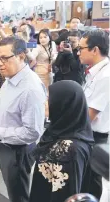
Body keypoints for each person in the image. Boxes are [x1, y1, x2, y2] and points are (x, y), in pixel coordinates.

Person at [0, 36, 47, 202]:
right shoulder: (10, 79)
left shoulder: (30, 89)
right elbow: (6, 107)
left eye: (5, 58)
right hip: (5, 144)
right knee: (11, 189)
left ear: (21, 56)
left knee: (18, 194)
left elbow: (32, 132)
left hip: (18, 151)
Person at [30, 80, 94, 202]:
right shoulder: (60, 130)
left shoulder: (71, 149)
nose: (45, 102)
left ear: (64, 104)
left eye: (49, 98)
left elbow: (65, 195)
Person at [78, 29, 110, 200]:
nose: (78, 52)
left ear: (95, 50)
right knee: (85, 180)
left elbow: (89, 114)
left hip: (94, 136)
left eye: (81, 48)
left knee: (91, 182)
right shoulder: (94, 72)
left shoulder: (105, 76)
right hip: (87, 134)